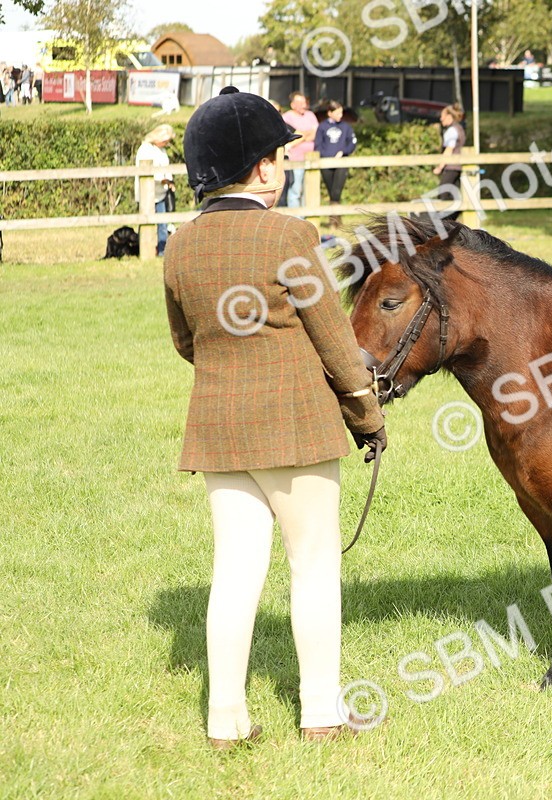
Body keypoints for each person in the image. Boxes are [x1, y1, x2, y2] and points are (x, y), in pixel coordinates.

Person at [164, 86, 386, 748]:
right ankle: (321, 713)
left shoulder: (179, 244)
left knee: (236, 570)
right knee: (313, 563)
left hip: (218, 428)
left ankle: (224, 722)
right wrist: (368, 417)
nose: (284, 166)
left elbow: (185, 341)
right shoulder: (290, 234)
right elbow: (338, 346)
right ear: (260, 167)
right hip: (295, 426)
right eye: (280, 156)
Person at [136, 124, 176, 256]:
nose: (166, 143)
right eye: (165, 140)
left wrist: (169, 181)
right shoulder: (145, 149)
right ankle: (142, 249)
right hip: (147, 193)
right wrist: (163, 179)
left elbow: (166, 166)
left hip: (161, 193)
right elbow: (146, 169)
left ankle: (162, 251)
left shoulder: (162, 150)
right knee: (145, 224)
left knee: (163, 223)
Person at [315, 100, 356, 229]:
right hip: (326, 163)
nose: (340, 115)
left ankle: (334, 220)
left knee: (336, 191)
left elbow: (352, 142)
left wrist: (344, 152)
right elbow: (317, 145)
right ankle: (336, 219)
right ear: (330, 113)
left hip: (341, 163)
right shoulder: (322, 127)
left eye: (341, 112)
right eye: (337, 113)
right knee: (331, 190)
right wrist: (325, 156)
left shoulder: (346, 127)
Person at [282, 92, 319, 208]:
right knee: (296, 189)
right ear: (293, 105)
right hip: (295, 159)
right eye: (300, 103)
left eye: (305, 102)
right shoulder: (286, 117)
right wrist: (306, 133)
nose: (304, 105)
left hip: (312, 159)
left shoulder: (310, 115)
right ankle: (296, 218)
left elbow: (315, 134)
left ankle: (308, 216)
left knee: (309, 190)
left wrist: (301, 135)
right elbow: (289, 137)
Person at [433, 103, 466, 221]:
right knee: (454, 196)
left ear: (449, 117)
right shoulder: (458, 128)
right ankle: (449, 221)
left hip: (451, 167)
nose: (441, 119)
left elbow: (449, 150)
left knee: (444, 194)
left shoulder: (452, 130)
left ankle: (445, 222)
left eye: (443, 116)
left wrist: (440, 166)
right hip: (457, 167)